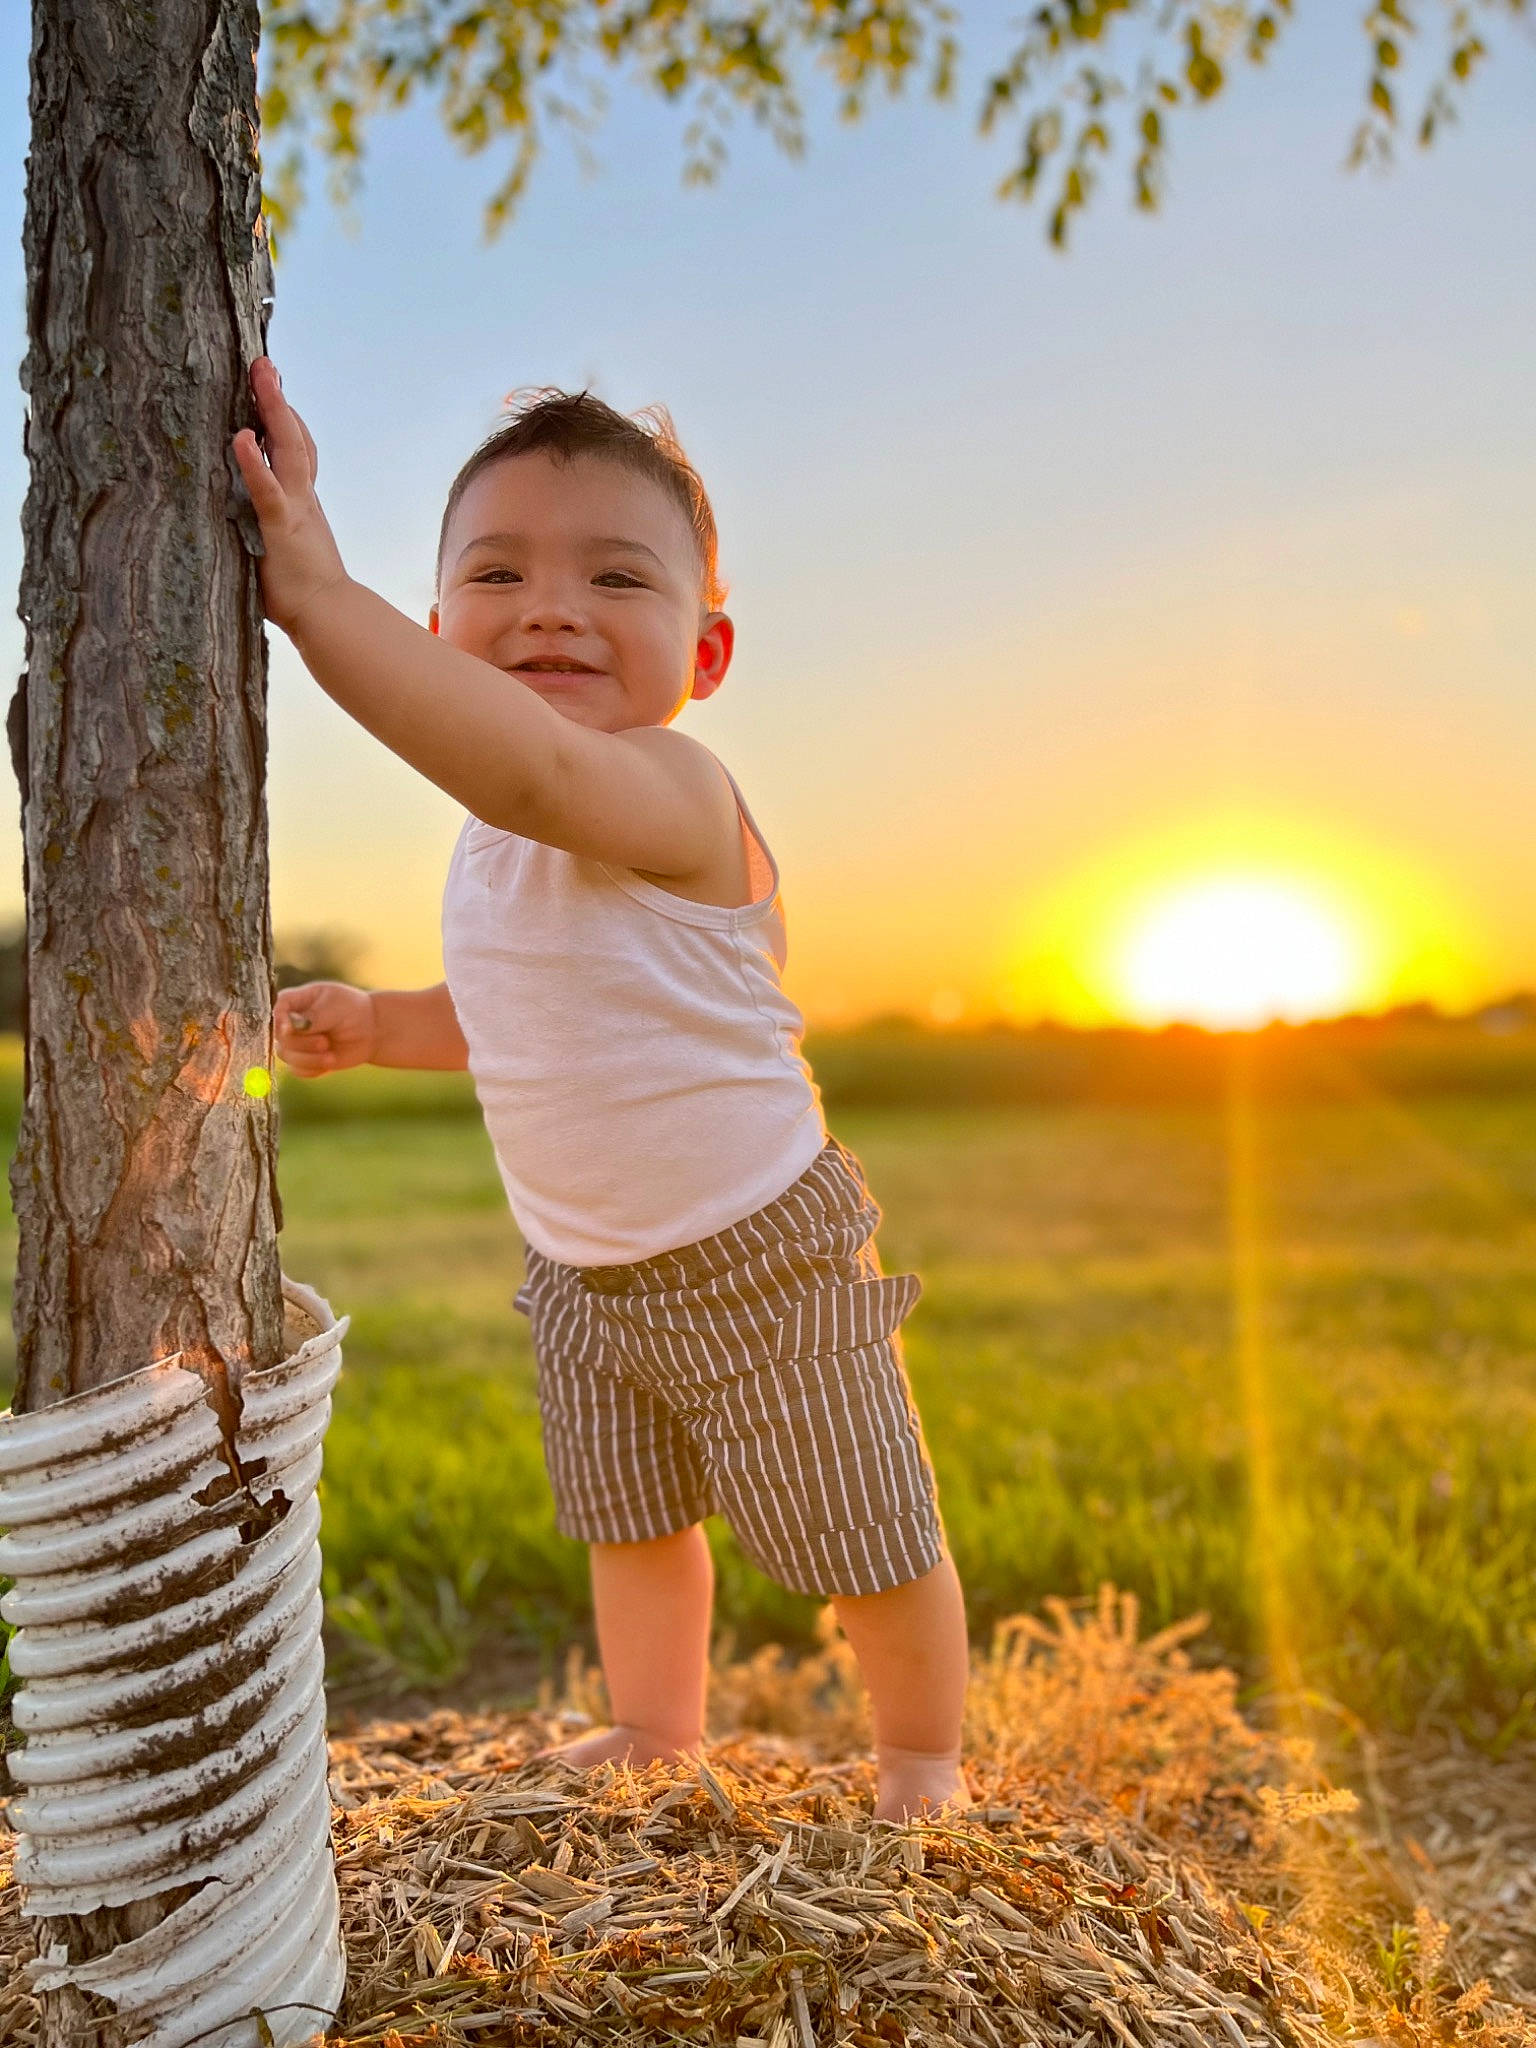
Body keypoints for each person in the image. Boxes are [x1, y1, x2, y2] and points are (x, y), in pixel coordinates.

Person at [236, 357, 970, 1819]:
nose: (553, 607)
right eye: (498, 573)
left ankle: (920, 1757)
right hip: (583, 1273)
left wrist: (317, 603)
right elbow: (523, 1008)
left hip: (765, 1257)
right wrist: (387, 1025)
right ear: (444, 625)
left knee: (865, 1525)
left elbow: (537, 779)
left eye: (616, 578)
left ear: (707, 655)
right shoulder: (494, 848)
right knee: (632, 1522)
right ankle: (656, 1725)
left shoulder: (671, 795)